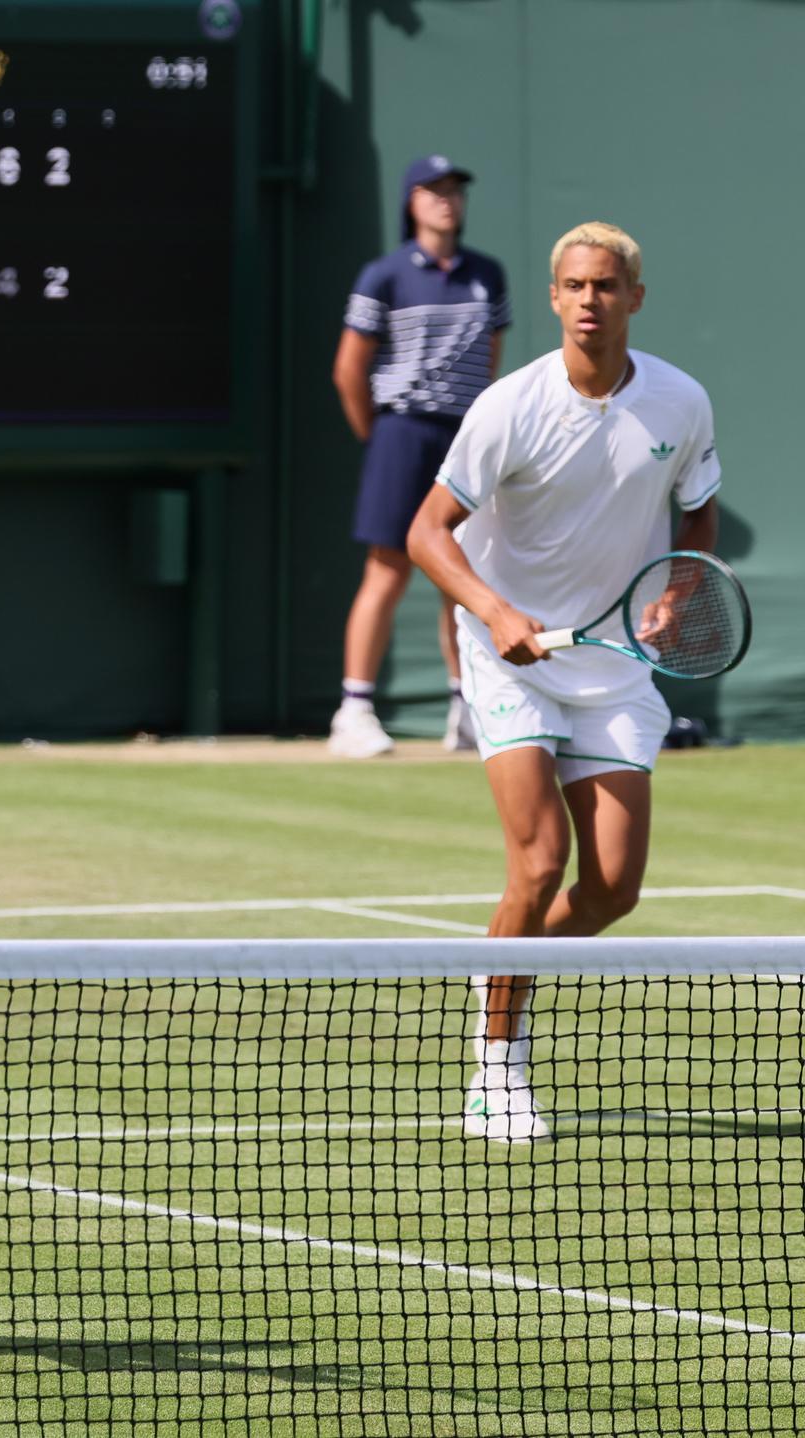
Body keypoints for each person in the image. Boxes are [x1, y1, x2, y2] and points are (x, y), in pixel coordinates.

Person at [406, 222, 720, 1143]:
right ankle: (496, 1071)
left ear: (635, 297)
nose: (590, 300)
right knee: (539, 865)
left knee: (613, 889)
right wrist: (497, 615)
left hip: (615, 661)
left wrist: (681, 590)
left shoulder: (681, 402)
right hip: (511, 659)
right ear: (555, 299)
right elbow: (428, 532)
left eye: (607, 286)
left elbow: (695, 517)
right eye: (575, 286)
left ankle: (505, 963)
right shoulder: (509, 406)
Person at [330, 155, 511, 757]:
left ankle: (467, 709)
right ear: (411, 202)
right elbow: (349, 369)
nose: (447, 200)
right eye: (434, 190)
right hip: (400, 434)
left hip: (464, 437)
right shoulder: (383, 275)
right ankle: (353, 711)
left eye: (455, 190)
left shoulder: (488, 274)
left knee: (460, 578)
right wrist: (378, 438)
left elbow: (491, 360)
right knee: (387, 570)